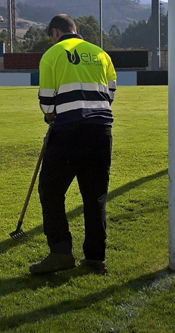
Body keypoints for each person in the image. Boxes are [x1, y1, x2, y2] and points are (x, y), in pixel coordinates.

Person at [30, 14, 117, 275]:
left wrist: (50, 115)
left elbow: (47, 102)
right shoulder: (101, 54)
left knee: (51, 190)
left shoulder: (53, 54)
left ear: (55, 33)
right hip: (101, 130)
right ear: (75, 30)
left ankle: (60, 253)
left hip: (68, 131)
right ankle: (95, 258)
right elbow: (110, 93)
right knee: (95, 195)